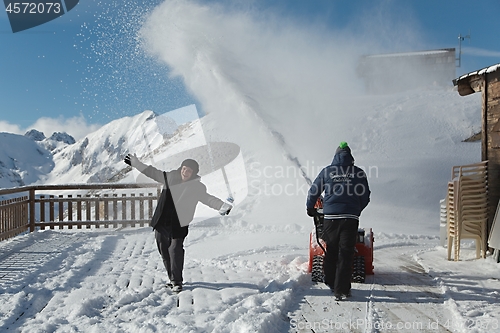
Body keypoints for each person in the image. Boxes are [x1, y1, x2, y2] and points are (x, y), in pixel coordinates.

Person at [124, 154, 232, 292]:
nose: (185, 172)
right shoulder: (169, 178)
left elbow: (207, 198)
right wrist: (136, 163)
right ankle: (172, 279)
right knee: (164, 251)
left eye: (189, 170)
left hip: (179, 223)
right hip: (162, 221)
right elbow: (151, 172)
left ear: (193, 173)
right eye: (184, 168)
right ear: (181, 168)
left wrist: (221, 205)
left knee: (175, 250)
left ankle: (177, 281)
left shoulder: (196, 187)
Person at [306, 142, 370, 300]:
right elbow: (366, 197)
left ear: (336, 156)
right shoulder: (359, 173)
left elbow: (314, 190)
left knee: (332, 250)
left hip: (331, 219)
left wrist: (310, 208)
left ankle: (330, 282)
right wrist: (355, 209)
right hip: (350, 219)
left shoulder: (327, 171)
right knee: (346, 253)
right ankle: (342, 290)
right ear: (350, 156)